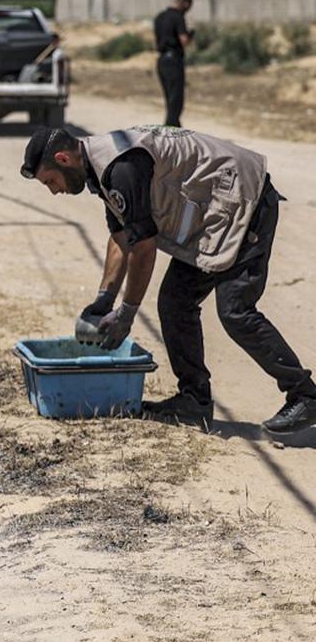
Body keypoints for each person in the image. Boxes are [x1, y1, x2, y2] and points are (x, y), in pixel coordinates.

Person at [20, 125, 316, 435]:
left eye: (50, 181)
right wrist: (103, 301)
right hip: (215, 216)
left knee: (235, 310)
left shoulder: (121, 167)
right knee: (175, 302)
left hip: (245, 200)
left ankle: (305, 394)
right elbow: (121, 236)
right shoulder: (100, 170)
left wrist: (126, 314)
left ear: (63, 158)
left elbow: (144, 248)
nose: (54, 190)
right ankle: (194, 402)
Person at [154, 0, 194, 127]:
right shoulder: (178, 17)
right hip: (173, 60)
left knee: (169, 98)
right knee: (176, 99)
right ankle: (171, 131)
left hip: (161, 61)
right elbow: (184, 40)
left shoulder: (159, 17)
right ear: (185, 3)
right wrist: (191, 35)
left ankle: (174, 127)